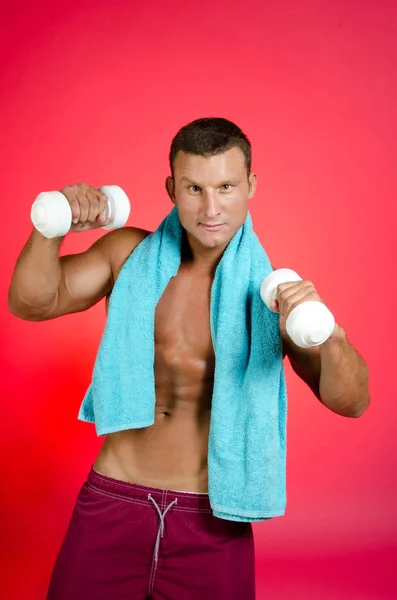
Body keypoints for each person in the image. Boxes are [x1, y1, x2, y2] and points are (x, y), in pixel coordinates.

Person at [8, 117, 370, 599]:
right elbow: (31, 303)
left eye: (226, 187)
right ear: (172, 188)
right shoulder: (127, 254)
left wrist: (330, 337)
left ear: (251, 186)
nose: (211, 207)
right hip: (115, 499)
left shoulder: (275, 298)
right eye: (194, 188)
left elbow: (352, 401)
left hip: (212, 520)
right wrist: (52, 229)